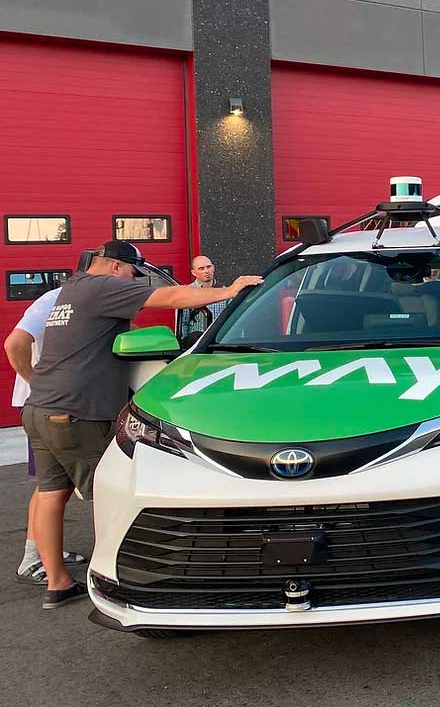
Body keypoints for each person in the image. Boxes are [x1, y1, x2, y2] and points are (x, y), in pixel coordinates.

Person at [22, 240, 261, 609]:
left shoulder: (72, 289)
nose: (133, 281)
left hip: (41, 407)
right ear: (117, 267)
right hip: (78, 411)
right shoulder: (104, 286)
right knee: (113, 493)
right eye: (133, 274)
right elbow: (168, 297)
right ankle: (122, 580)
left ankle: (57, 583)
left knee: (52, 494)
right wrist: (229, 290)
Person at [5, 286, 87, 585]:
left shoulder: (78, 299)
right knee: (50, 485)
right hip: (44, 404)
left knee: (56, 485)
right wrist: (36, 384)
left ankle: (45, 549)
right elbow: (14, 343)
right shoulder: (54, 300)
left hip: (56, 402)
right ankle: (31, 558)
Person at [178, 255, 230, 334]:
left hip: (218, 339)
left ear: (213, 268)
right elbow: (183, 323)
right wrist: (185, 342)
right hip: (196, 340)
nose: (206, 271)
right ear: (193, 273)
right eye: (201, 269)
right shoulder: (188, 292)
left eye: (208, 267)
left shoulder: (225, 292)